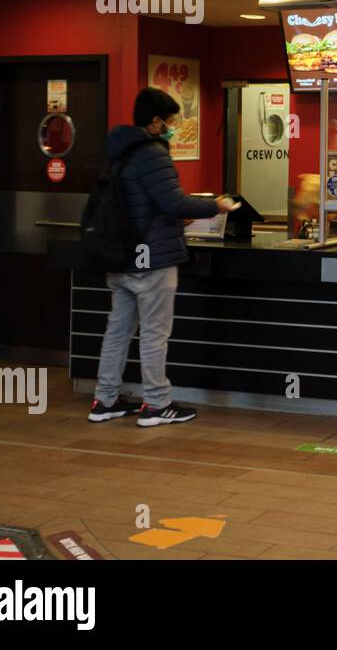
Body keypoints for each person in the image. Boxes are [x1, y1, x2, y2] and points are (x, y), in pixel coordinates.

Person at [88, 87, 235, 427]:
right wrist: (217, 205)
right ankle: (156, 404)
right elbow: (175, 203)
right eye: (170, 121)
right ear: (155, 122)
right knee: (155, 332)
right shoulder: (152, 153)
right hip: (152, 259)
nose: (172, 127)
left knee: (117, 331)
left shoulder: (117, 151)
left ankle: (104, 399)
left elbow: (142, 202)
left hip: (120, 256)